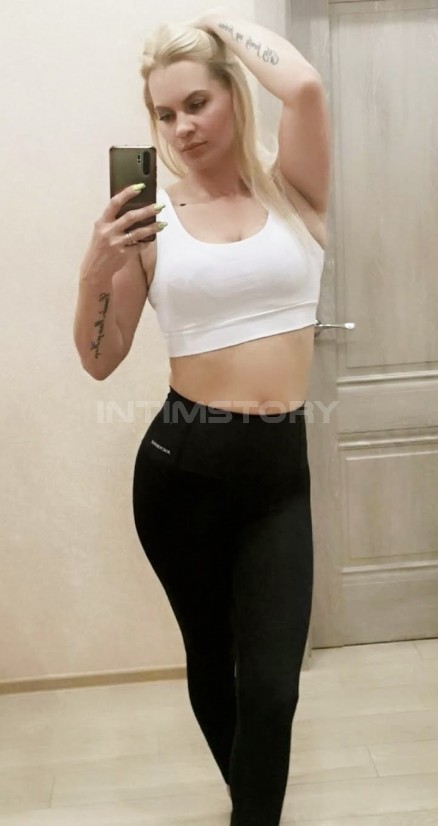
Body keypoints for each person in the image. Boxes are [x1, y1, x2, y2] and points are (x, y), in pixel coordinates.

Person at [73, 8, 330, 825]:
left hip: (279, 479)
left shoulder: (294, 190)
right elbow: (100, 358)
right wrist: (96, 271)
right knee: (214, 662)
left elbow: (305, 85)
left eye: (197, 102)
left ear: (233, 94)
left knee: (274, 686)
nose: (181, 127)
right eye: (164, 113)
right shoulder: (152, 220)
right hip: (182, 474)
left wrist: (217, 24)